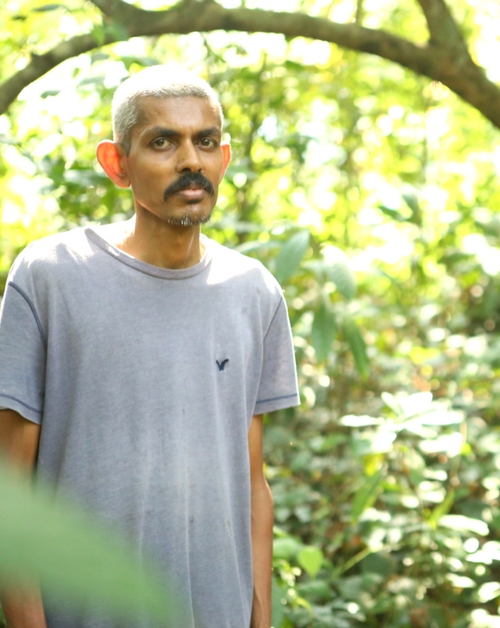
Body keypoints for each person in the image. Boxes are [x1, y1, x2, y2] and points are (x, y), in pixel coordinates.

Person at [0, 65, 299, 628]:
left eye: (205, 141)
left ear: (224, 158)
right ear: (117, 164)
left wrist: (260, 618)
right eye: (163, 141)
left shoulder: (254, 292)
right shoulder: (49, 277)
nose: (191, 160)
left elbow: (252, 482)